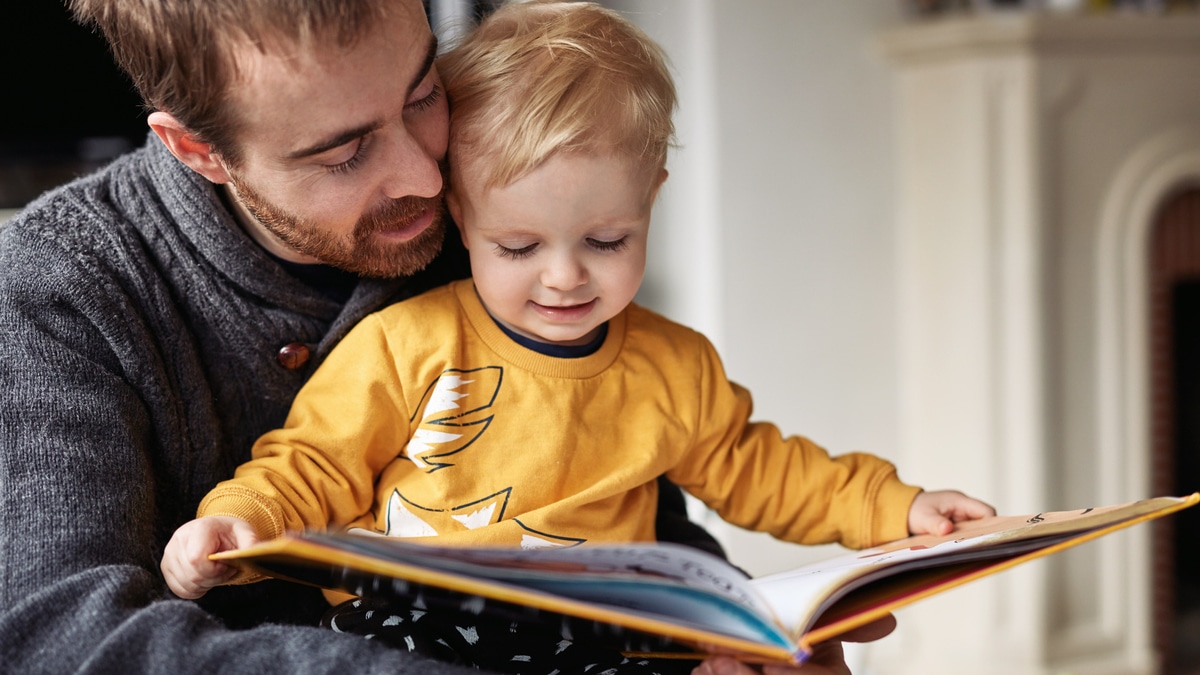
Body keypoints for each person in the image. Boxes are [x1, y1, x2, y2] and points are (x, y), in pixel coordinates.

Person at [159, 2, 996, 673]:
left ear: (652, 200)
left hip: (605, 627)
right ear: (461, 215)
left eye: (607, 241)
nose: (565, 277)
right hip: (420, 622)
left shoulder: (676, 366)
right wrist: (242, 521)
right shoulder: (406, 341)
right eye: (518, 248)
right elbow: (314, 462)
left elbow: (762, 467)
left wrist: (900, 508)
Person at [0, 0, 732, 674]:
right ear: (197, 149)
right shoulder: (57, 289)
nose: (424, 175)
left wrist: (727, 639)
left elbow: (636, 500)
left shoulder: (506, 224)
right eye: (344, 153)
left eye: (423, 94)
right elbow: (63, 637)